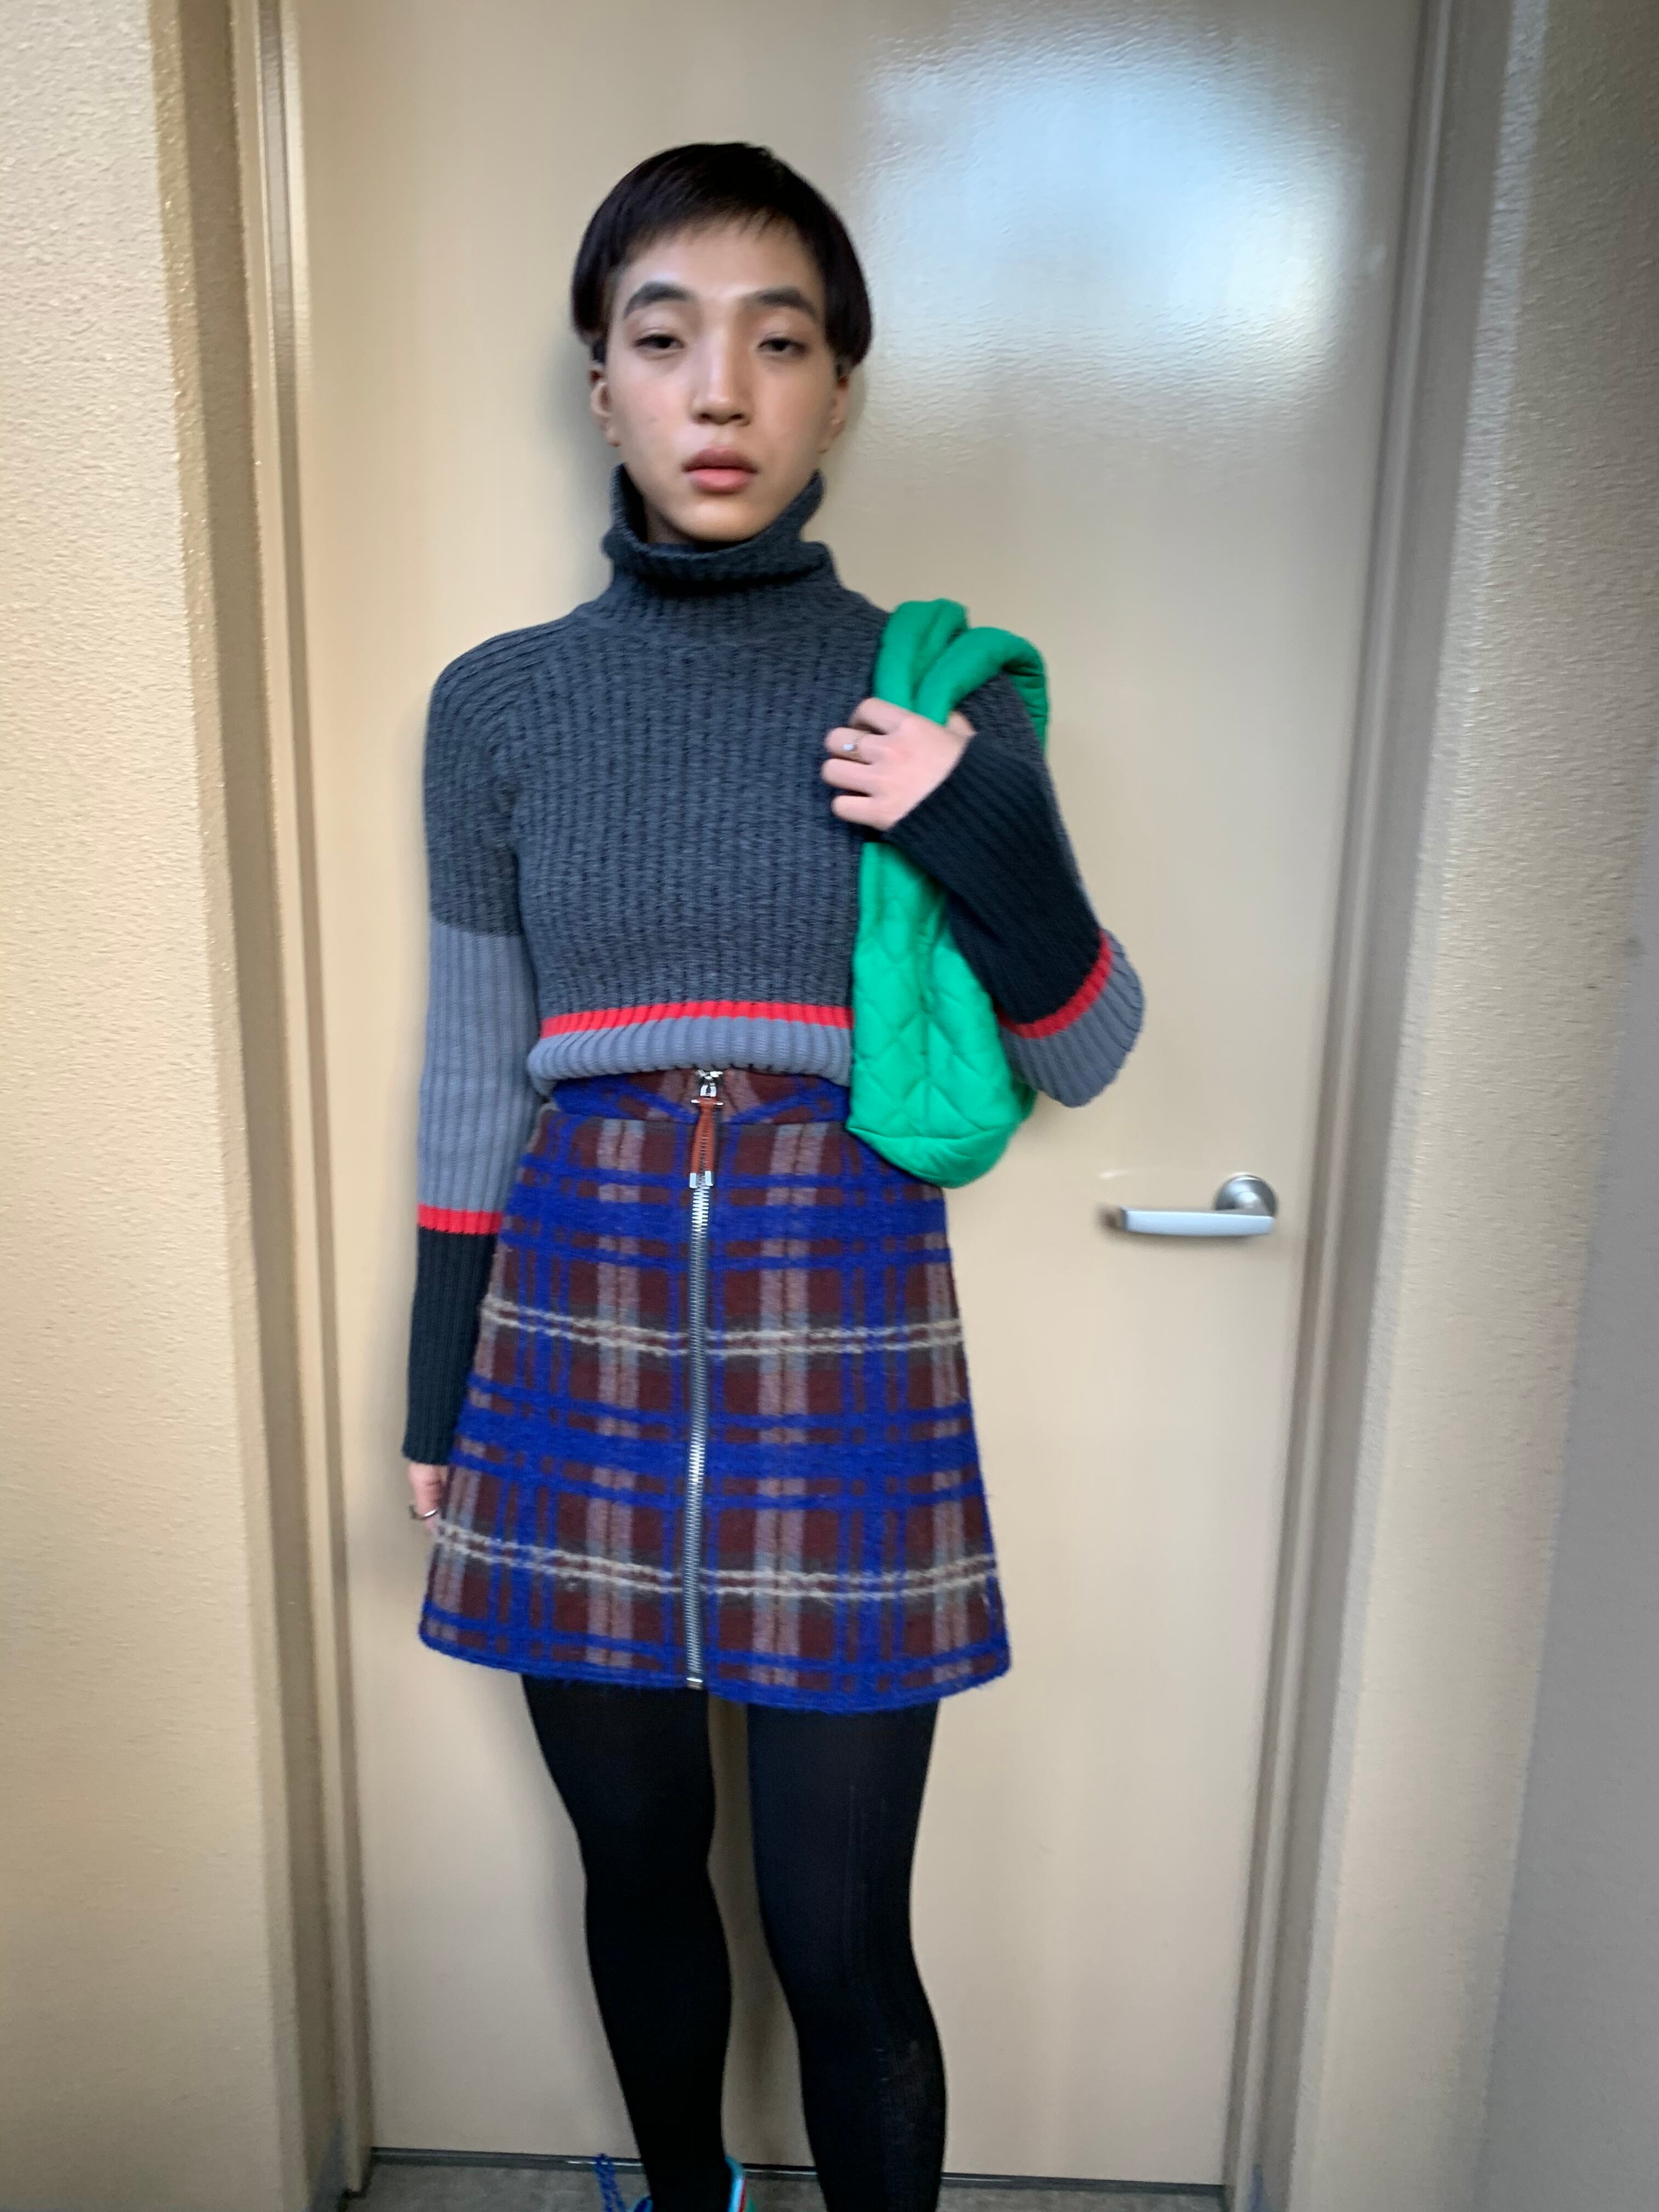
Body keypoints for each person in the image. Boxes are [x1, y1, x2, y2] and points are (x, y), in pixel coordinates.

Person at [401, 142, 1143, 2212]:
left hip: (848, 1313)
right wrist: (436, 1392)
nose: (719, 391)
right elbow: (470, 1076)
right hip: (571, 1317)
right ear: (603, 386)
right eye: (665, 341)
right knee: (639, 1868)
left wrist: (976, 818)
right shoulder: (500, 708)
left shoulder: (933, 694)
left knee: (836, 1932)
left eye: (778, 342)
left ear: (838, 391)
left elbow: (1084, 1044)